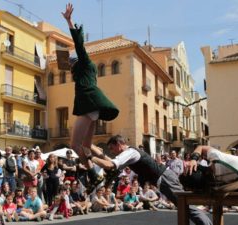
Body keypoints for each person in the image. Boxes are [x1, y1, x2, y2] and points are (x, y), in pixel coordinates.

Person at [87, 135, 212, 225]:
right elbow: (108, 160)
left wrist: (88, 157)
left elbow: (109, 164)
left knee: (184, 205)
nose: (112, 152)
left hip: (164, 178)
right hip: (165, 178)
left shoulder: (129, 152)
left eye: (112, 148)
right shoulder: (129, 153)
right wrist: (90, 146)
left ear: (118, 145)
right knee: (183, 206)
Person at [61, 3, 118, 165]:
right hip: (92, 106)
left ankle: (94, 175)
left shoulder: (85, 63)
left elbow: (79, 45)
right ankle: (108, 165)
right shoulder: (86, 71)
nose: (70, 67)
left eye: (71, 64)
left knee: (74, 145)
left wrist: (69, 21)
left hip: (88, 105)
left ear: (77, 62)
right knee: (87, 145)